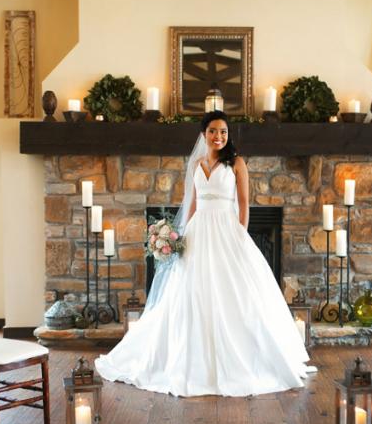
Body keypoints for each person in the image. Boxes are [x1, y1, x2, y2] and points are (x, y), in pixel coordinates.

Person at [95, 111, 315, 397]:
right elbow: (193, 204)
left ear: (228, 135)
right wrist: (178, 236)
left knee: (234, 292)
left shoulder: (236, 163)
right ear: (204, 134)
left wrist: (240, 234)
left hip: (228, 230)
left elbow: (245, 203)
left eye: (223, 132)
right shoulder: (197, 163)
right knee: (193, 292)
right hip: (199, 231)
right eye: (213, 131)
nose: (219, 136)